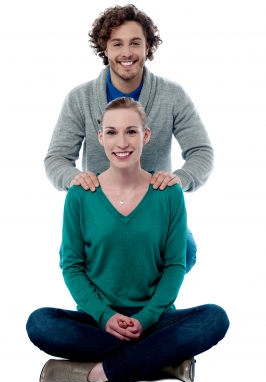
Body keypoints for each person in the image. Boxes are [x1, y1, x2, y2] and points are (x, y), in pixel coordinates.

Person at [27, 98, 229, 382]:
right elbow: (72, 266)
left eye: (131, 131)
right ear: (99, 137)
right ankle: (163, 363)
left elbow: (174, 265)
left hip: (154, 319)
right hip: (98, 320)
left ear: (146, 136)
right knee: (39, 323)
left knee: (214, 318)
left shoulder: (168, 193)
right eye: (111, 132)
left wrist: (145, 319)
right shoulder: (81, 194)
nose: (121, 141)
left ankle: (94, 372)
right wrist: (105, 316)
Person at [44, 4, 214, 274]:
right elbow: (57, 158)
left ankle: (151, 310)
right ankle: (103, 311)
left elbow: (201, 151)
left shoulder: (172, 95)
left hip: (156, 211)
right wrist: (74, 178)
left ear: (148, 47)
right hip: (99, 211)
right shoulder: (80, 98)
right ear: (105, 49)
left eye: (135, 43)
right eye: (117, 44)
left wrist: (179, 179)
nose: (126, 53)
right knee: (71, 258)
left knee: (186, 252)